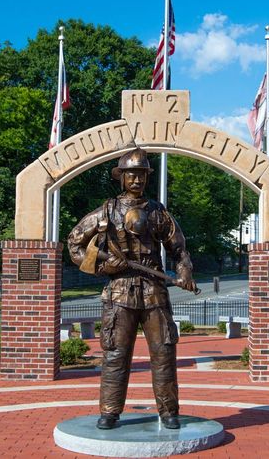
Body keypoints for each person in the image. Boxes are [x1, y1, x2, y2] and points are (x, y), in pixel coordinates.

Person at [67, 147, 197, 430]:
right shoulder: (106, 211)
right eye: (131, 175)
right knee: (115, 354)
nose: (136, 180)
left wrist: (185, 271)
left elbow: (180, 250)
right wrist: (104, 268)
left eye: (141, 175)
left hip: (154, 292)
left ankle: (168, 411)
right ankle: (110, 411)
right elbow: (75, 244)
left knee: (163, 352)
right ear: (121, 177)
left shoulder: (158, 213)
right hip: (119, 293)